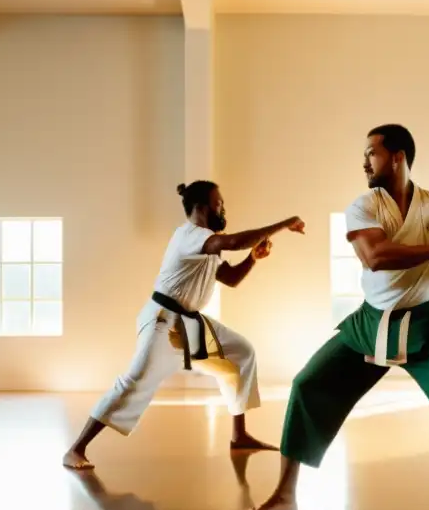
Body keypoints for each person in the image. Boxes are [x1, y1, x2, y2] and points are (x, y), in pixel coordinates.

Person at [246, 124, 429, 510]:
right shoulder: (362, 207)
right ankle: (284, 494)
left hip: (428, 325)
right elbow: (375, 257)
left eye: (372, 153)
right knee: (307, 385)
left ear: (397, 157)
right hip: (370, 322)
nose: (364, 161)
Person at [62, 180, 305, 470]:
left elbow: (231, 279)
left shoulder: (207, 243)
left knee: (242, 352)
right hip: (162, 319)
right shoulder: (190, 235)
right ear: (201, 208)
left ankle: (239, 435)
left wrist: (252, 259)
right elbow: (231, 242)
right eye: (219, 203)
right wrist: (285, 223)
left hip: (189, 321)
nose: (223, 208)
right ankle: (76, 449)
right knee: (134, 380)